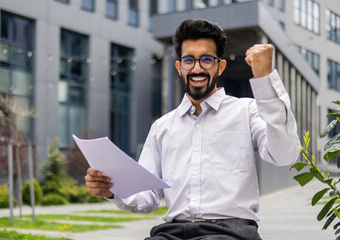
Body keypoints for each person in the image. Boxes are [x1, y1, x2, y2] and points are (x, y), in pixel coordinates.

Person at [85, 18, 300, 240]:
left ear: (220, 66)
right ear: (179, 67)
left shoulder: (247, 111)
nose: (197, 68)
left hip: (230, 233)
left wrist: (264, 79)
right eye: (189, 60)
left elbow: (285, 155)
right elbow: (147, 197)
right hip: (172, 233)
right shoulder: (162, 127)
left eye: (207, 60)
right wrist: (112, 190)